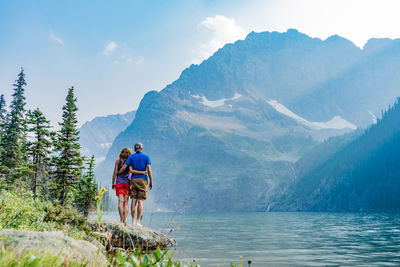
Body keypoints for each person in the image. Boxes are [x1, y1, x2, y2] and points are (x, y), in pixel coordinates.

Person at [118, 142, 152, 226]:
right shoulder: (146, 157)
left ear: (134, 149)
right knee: (140, 201)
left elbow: (124, 168)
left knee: (133, 200)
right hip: (142, 180)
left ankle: (133, 222)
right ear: (141, 148)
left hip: (133, 180)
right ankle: (138, 222)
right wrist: (151, 181)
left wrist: (118, 173)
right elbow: (149, 170)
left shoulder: (131, 157)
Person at [112, 147, 146, 225]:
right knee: (126, 202)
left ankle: (121, 219)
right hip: (127, 183)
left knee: (120, 201)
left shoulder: (118, 161)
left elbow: (115, 173)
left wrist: (113, 182)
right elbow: (132, 171)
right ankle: (125, 219)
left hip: (119, 182)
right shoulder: (129, 162)